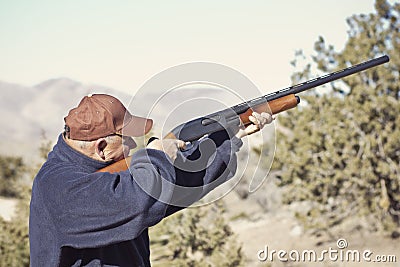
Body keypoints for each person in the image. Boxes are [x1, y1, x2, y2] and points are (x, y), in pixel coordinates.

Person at [29, 93, 273, 267]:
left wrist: (228, 139)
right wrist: (156, 155)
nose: (134, 145)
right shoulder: (58, 187)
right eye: (126, 139)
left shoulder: (107, 171)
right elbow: (137, 201)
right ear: (102, 147)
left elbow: (180, 183)